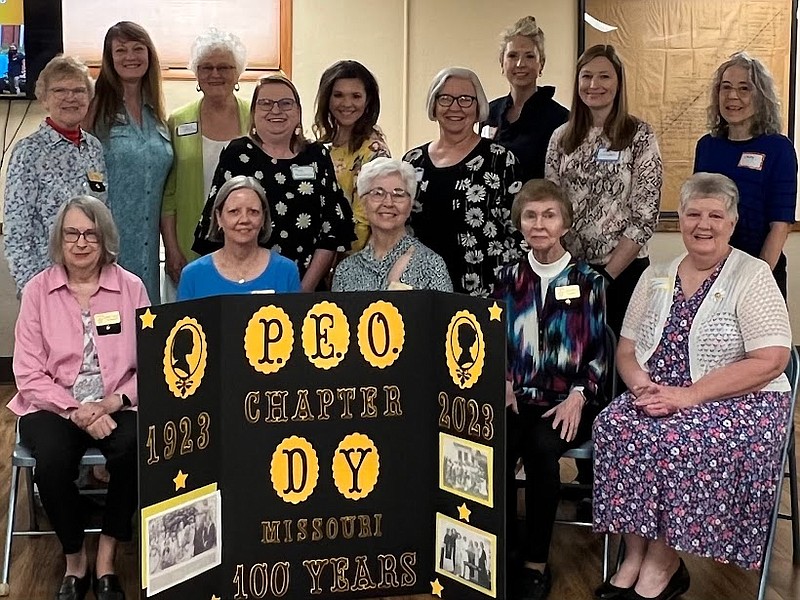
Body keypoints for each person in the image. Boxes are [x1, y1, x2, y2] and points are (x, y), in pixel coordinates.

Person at [592, 172, 792, 600]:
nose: (704, 224)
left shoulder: (752, 275)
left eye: (716, 215)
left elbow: (772, 360)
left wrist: (689, 396)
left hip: (740, 401)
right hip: (658, 392)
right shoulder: (656, 275)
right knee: (615, 426)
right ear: (680, 218)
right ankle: (634, 554)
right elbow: (626, 350)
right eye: (694, 213)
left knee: (675, 439)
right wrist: (644, 389)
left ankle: (664, 565)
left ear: (732, 222)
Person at [11, 196, 148, 600]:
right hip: (52, 405)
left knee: (134, 447)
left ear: (105, 238)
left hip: (117, 403)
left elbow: (153, 365)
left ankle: (106, 555)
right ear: (59, 239)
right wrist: (77, 411)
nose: (81, 242)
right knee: (51, 461)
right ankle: (75, 559)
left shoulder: (131, 287)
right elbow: (28, 372)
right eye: (72, 233)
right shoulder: (38, 291)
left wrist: (111, 403)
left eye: (91, 233)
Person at [492, 179, 606, 600]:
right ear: (519, 223)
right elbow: (493, 340)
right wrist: (502, 381)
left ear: (565, 223)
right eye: (530, 215)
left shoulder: (588, 280)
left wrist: (579, 395)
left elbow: (597, 351)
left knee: (542, 450)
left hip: (569, 398)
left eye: (549, 215)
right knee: (496, 447)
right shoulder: (507, 278)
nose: (539, 224)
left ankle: (536, 561)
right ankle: (501, 549)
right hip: (514, 394)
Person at [192, 75, 356, 291]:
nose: (276, 110)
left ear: (298, 112)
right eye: (266, 103)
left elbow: (332, 231)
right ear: (254, 113)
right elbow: (218, 224)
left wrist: (301, 291)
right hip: (243, 286)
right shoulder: (237, 153)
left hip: (306, 285)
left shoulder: (317, 156)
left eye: (285, 103)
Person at [545, 44, 662, 336]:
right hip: (570, 271)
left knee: (618, 361)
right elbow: (550, 207)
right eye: (586, 76)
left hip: (623, 273)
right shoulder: (561, 137)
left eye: (604, 77)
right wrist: (566, 268)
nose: (594, 85)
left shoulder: (639, 136)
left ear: (618, 83)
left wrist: (606, 277)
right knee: (571, 356)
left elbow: (645, 215)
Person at [403, 67, 522, 297]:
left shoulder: (501, 160)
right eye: (445, 98)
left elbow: (518, 232)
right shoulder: (412, 162)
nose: (455, 107)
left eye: (465, 99)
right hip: (422, 292)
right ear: (434, 105)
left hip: (486, 294)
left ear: (479, 107)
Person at [694, 52, 796, 299]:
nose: (732, 96)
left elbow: (780, 225)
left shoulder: (778, 149)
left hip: (762, 270)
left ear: (761, 97)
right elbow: (698, 213)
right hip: (711, 272)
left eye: (744, 88)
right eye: (725, 87)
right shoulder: (707, 146)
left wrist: (754, 281)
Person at [3, 55, 106, 296]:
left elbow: (103, 213)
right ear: (44, 98)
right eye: (60, 90)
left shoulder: (94, 147)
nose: (70, 98)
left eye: (79, 90)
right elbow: (17, 231)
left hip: (93, 279)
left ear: (89, 98)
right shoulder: (28, 153)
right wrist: (31, 290)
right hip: (47, 284)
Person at [161, 29, 251, 301]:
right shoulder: (178, 121)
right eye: (206, 67)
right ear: (196, 74)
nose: (215, 74)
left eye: (224, 67)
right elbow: (169, 194)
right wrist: (172, 249)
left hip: (248, 242)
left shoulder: (256, 117)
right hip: (190, 245)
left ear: (237, 73)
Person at [87, 21, 173, 303]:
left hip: (149, 252)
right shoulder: (96, 108)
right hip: (106, 247)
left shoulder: (157, 113)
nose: (130, 56)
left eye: (138, 49)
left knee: (145, 330)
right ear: (109, 58)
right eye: (120, 50)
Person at [331, 158, 452, 292]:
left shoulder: (431, 265)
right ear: (363, 203)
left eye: (398, 195)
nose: (388, 203)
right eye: (378, 193)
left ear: (410, 204)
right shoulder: (346, 271)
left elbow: (444, 313)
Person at [178, 176, 300, 300]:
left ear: (263, 218)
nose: (244, 220)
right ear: (219, 217)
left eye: (253, 211)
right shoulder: (192, 275)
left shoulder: (286, 271)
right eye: (234, 212)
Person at [313, 60, 390, 251]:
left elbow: (366, 219)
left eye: (356, 96)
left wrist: (340, 263)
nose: (347, 104)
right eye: (338, 95)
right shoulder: (320, 147)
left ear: (368, 100)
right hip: (319, 256)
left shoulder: (374, 151)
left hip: (352, 259)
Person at [482, 16, 568, 181]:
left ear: (541, 63)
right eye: (512, 56)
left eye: (529, 56)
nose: (520, 64)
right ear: (502, 62)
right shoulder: (488, 113)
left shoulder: (561, 120)